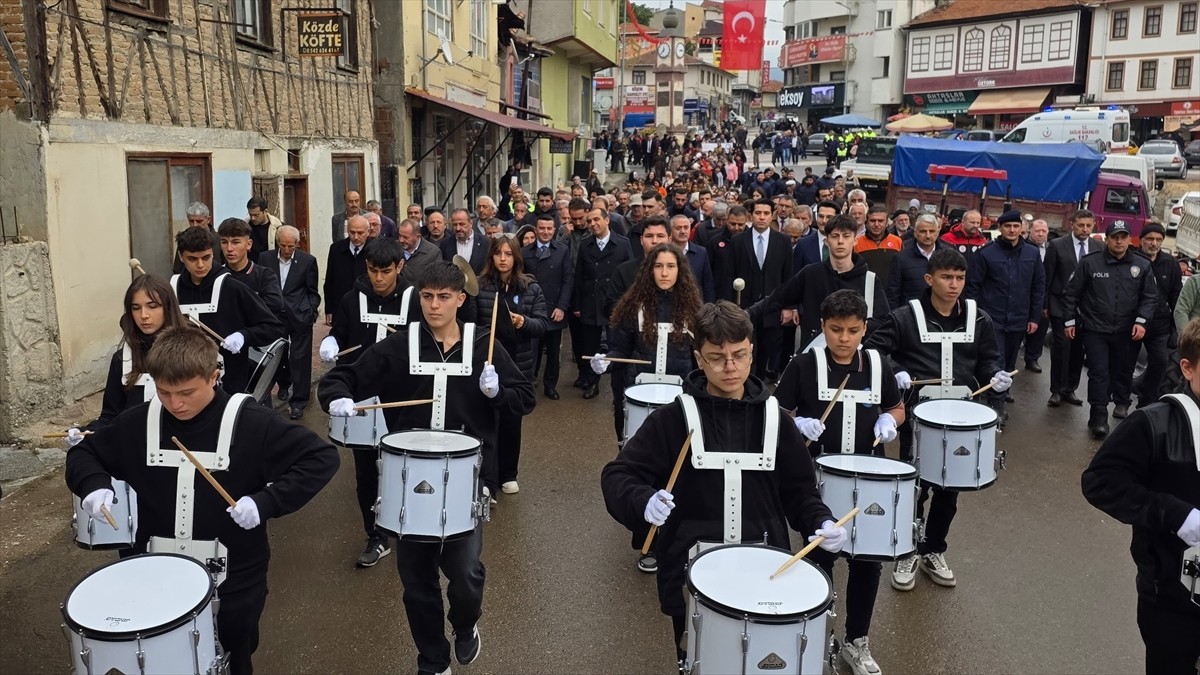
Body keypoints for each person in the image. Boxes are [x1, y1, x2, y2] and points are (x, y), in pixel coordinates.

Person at [67, 326, 339, 674]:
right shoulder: (138, 421)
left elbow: (321, 458)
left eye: (186, 392)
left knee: (233, 658)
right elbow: (85, 453)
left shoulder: (253, 422)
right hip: (150, 576)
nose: (174, 403)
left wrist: (266, 501)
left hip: (234, 580)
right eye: (164, 392)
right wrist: (92, 484)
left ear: (214, 376)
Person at [600, 300, 845, 672]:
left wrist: (821, 522)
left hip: (766, 571)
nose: (729, 367)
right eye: (717, 357)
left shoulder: (777, 422)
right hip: (690, 573)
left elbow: (800, 493)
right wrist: (643, 500)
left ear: (751, 352)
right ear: (699, 358)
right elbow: (618, 476)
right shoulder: (672, 419)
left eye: (739, 355)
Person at [319, 261, 534, 675]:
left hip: (468, 478)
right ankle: (433, 661)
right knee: (417, 584)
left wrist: (497, 391)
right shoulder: (400, 345)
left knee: (466, 574)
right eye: (427, 296)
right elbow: (343, 377)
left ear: (460, 299)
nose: (434, 305)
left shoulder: (482, 345)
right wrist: (338, 397)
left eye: (443, 297)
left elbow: (524, 399)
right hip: (408, 478)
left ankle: (466, 624)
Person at [774, 290, 905, 675]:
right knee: (819, 558)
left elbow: (896, 407)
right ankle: (820, 633)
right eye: (835, 330)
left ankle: (856, 640)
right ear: (822, 327)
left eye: (852, 330)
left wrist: (890, 421)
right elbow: (778, 410)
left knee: (868, 562)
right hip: (817, 479)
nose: (844, 338)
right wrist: (796, 424)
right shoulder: (803, 364)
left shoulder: (878, 364)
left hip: (870, 479)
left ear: (864, 327)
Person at [865, 249, 1008, 592]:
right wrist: (896, 371)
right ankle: (907, 551)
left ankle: (933, 549)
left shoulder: (979, 319)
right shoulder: (905, 316)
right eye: (946, 277)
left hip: (962, 417)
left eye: (960, 278)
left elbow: (988, 360)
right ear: (929, 279)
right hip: (919, 418)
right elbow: (874, 349)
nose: (954, 284)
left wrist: (996, 375)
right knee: (916, 486)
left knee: (950, 490)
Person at [1081, 317, 1200, 675]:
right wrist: (1176, 515)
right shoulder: (1154, 423)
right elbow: (1100, 481)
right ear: (1188, 367)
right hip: (1173, 595)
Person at [319, 237, 415, 568]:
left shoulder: (416, 301)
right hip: (361, 396)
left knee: (405, 465)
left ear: (399, 267)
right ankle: (375, 535)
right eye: (372, 271)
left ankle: (408, 524)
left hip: (403, 396)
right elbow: (343, 335)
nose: (378, 278)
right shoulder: (351, 298)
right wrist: (332, 340)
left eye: (385, 271)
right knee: (366, 471)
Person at [65, 274, 189, 444]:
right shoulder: (122, 359)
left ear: (168, 307)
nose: (144, 315)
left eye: (152, 306)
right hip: (135, 447)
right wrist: (84, 431)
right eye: (136, 308)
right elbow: (111, 416)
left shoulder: (190, 350)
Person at [1061, 221, 1158, 438]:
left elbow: (1150, 297)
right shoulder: (1090, 263)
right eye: (1115, 237)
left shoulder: (1141, 266)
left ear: (1129, 239)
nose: (1119, 241)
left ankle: (1113, 404)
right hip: (1095, 329)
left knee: (1117, 372)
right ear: (1107, 239)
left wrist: (1141, 321)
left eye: (1123, 237)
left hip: (1125, 332)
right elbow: (1071, 294)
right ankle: (1098, 418)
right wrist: (1069, 322)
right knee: (1099, 372)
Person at [475, 236, 548, 495]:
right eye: (498, 253)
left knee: (511, 421)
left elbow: (542, 324)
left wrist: (523, 322)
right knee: (486, 421)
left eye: (508, 253)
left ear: (516, 257)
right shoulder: (481, 286)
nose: (503, 258)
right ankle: (488, 480)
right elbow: (471, 325)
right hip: (489, 362)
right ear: (491, 257)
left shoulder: (531, 287)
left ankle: (509, 473)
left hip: (518, 364)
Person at [752, 215, 890, 352]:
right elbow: (777, 299)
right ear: (827, 241)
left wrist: (854, 328)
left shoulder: (869, 279)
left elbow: (882, 319)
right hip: (814, 355)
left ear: (855, 240)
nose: (840, 241)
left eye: (846, 236)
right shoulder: (810, 274)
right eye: (835, 236)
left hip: (855, 356)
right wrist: (746, 315)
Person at [171, 226, 284, 395]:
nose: (200, 265)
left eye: (206, 257)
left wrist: (243, 335)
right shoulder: (172, 289)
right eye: (192, 259)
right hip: (182, 380)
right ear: (181, 257)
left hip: (229, 384)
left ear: (213, 254)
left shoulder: (233, 288)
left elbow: (273, 327)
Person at [965, 210, 1045, 397]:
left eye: (1016, 226)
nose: (1012, 230)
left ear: (1021, 228)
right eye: (1007, 226)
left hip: (1019, 317)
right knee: (996, 358)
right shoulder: (986, 253)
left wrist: (1034, 317)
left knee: (1010, 359)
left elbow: (1038, 286)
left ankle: (1004, 391)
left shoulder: (1032, 253)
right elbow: (973, 287)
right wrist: (974, 316)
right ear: (1000, 228)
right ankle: (995, 398)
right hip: (992, 317)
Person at [257, 225, 321, 419]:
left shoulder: (307, 261)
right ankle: (283, 385)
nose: (286, 250)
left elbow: (313, 291)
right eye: (283, 245)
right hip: (274, 316)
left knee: (300, 359)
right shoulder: (265, 258)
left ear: (297, 244)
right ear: (278, 243)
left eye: (290, 246)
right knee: (278, 355)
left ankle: (299, 401)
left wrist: (310, 312)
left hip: (300, 315)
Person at [572, 207, 633, 399]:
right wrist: (577, 305)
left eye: (596, 219)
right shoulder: (585, 244)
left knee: (616, 344)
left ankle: (619, 382)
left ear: (607, 220)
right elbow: (579, 276)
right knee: (591, 346)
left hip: (614, 303)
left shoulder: (622, 244)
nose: (592, 224)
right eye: (589, 221)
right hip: (591, 303)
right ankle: (592, 382)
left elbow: (629, 276)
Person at [1044, 210, 1102, 407]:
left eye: (1088, 225)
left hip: (1086, 309)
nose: (1085, 229)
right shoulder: (1057, 246)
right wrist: (1045, 305)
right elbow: (1047, 277)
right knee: (1062, 347)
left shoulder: (1098, 247)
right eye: (1081, 225)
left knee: (1078, 349)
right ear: (1072, 225)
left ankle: (1070, 388)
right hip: (1060, 305)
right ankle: (1056, 390)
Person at [732, 198, 794, 380]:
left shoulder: (782, 241)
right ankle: (743, 382)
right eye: (758, 213)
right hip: (744, 305)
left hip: (772, 305)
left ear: (772, 215)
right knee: (744, 347)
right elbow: (729, 273)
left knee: (767, 349)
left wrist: (788, 306)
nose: (762, 217)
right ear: (751, 215)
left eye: (766, 213)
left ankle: (759, 384)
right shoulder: (738, 241)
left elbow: (788, 276)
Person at [523, 214, 574, 400]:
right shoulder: (525, 251)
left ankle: (550, 386)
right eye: (542, 228)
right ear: (536, 230)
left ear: (554, 230)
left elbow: (568, 280)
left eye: (549, 229)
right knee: (531, 351)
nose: (545, 232)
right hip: (531, 311)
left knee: (553, 353)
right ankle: (528, 385)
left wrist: (562, 307)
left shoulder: (562, 251)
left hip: (554, 310)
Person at [1136, 222, 1183, 405]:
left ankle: (1147, 401)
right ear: (1141, 241)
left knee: (1160, 363)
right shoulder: (1132, 260)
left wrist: (1175, 329)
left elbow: (1176, 296)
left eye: (1158, 239)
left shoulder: (1170, 264)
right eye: (1149, 239)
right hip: (1133, 322)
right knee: (1125, 365)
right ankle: (1121, 402)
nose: (1154, 243)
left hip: (1160, 325)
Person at [887, 214, 945, 307]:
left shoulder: (948, 255)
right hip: (910, 313)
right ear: (915, 232)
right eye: (923, 231)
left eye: (932, 231)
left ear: (938, 232)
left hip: (941, 312)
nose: (928, 235)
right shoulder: (901, 258)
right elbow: (893, 293)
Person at [323, 214, 370, 326]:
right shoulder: (336, 249)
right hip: (341, 305)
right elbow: (330, 280)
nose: (356, 236)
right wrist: (329, 309)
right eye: (352, 232)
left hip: (367, 306)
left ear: (368, 232)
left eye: (360, 233)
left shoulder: (374, 248)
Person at [1022, 218, 1051, 373]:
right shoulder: (1023, 247)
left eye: (1044, 231)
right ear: (1030, 232)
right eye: (1037, 231)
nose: (1040, 234)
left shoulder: (1052, 249)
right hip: (1024, 294)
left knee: (1040, 329)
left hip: (1043, 296)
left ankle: (1032, 358)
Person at [669, 214, 715, 303]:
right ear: (671, 231)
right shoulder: (664, 252)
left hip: (695, 305)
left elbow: (707, 284)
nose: (683, 231)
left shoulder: (701, 252)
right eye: (678, 228)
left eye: (686, 227)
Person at [173, 202, 225, 274]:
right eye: (191, 221)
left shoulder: (219, 240)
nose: (195, 224)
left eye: (199, 221)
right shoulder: (184, 239)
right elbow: (178, 269)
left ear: (208, 219)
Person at [439, 208, 488, 274]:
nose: (458, 228)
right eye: (455, 225)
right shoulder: (445, 244)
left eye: (462, 224)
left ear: (471, 223)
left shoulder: (485, 242)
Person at [398, 217, 443, 282]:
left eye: (405, 237)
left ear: (418, 236)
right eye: (399, 236)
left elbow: (437, 280)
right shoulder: (394, 248)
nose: (401, 240)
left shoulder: (433, 253)